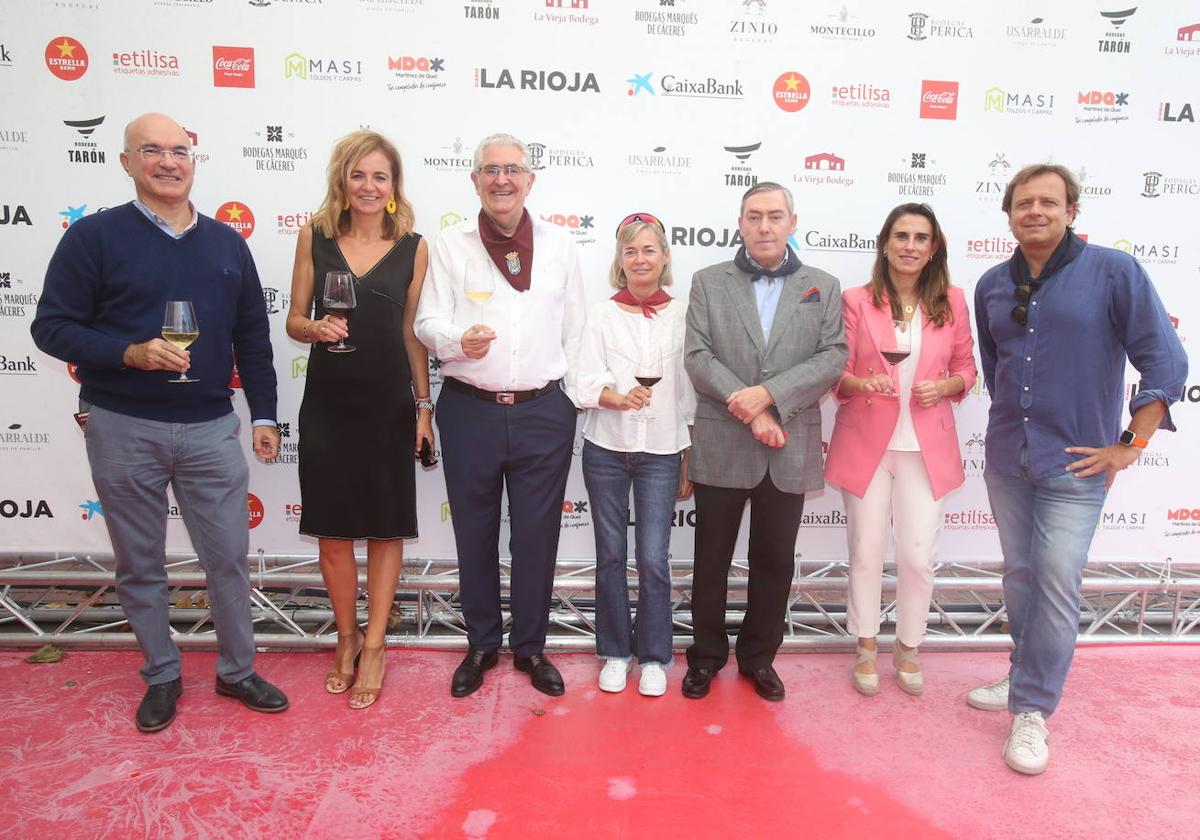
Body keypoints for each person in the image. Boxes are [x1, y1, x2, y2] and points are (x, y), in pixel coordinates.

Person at [31, 113, 287, 732]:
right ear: (126, 162)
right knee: (140, 563)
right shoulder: (92, 238)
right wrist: (129, 352)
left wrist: (267, 412)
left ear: (194, 160)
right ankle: (162, 675)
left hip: (209, 427)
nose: (168, 162)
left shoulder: (228, 242)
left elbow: (253, 335)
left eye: (179, 150)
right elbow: (50, 327)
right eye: (152, 150)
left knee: (227, 557)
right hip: (122, 425)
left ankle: (236, 671)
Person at [969, 163, 1187, 774]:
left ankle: (1033, 710)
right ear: (1008, 214)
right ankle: (1021, 675)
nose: (1035, 211)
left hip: (1077, 464)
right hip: (1009, 457)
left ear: (1071, 210)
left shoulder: (1114, 272)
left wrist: (1129, 445)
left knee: (1057, 582)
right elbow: (997, 372)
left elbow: (1165, 361)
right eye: (1023, 203)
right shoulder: (990, 284)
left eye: (1049, 202)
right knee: (1019, 576)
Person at [414, 133, 585, 698]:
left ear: (530, 180)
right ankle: (483, 644)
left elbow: (578, 333)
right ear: (474, 180)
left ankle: (531, 648)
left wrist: (578, 400)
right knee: (474, 534)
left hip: (544, 412)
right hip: (470, 410)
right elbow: (426, 324)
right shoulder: (449, 244)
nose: (502, 179)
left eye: (513, 169)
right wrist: (461, 339)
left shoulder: (562, 245)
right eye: (491, 169)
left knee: (537, 536)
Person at [285, 130, 433, 710]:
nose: (369, 187)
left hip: (389, 403)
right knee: (333, 530)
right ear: (342, 181)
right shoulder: (314, 237)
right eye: (359, 175)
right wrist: (314, 328)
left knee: (385, 526)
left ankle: (375, 645)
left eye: (381, 176)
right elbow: (295, 319)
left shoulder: (414, 247)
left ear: (394, 186)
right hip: (328, 400)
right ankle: (345, 638)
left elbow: (413, 336)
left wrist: (423, 408)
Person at [682, 182, 847, 701]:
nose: (764, 226)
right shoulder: (708, 281)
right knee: (710, 560)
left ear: (793, 223)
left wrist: (770, 399)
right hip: (723, 440)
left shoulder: (823, 284)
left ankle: (758, 658)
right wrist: (749, 408)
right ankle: (705, 657)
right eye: (754, 216)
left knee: (774, 562)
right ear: (740, 222)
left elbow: (831, 357)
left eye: (775, 216)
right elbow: (698, 357)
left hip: (789, 443)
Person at [824, 203, 976, 698]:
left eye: (921, 237)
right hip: (867, 443)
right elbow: (835, 374)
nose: (910, 245)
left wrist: (947, 385)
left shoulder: (952, 301)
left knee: (916, 557)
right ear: (885, 243)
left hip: (924, 448)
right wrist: (860, 381)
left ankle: (908, 646)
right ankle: (866, 645)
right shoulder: (855, 300)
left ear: (934, 248)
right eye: (902, 235)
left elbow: (966, 371)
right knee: (866, 554)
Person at [577, 213, 696, 697]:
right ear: (619, 261)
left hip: (663, 450)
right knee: (610, 556)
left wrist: (689, 454)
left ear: (665, 257)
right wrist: (615, 397)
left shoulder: (686, 313)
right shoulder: (601, 314)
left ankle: (653, 655)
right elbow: (583, 379)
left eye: (649, 250)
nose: (640, 259)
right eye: (631, 252)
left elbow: (690, 391)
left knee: (652, 558)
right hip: (606, 446)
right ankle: (613, 651)